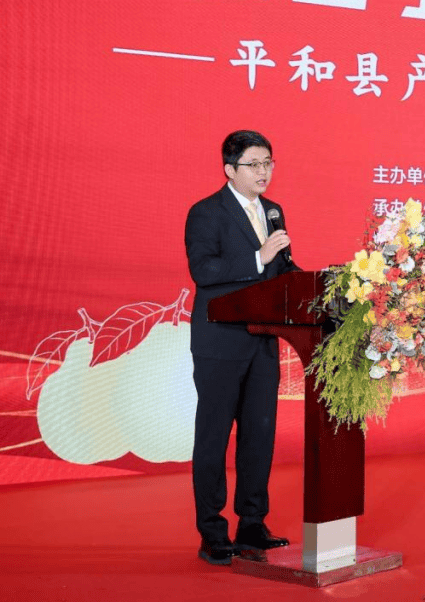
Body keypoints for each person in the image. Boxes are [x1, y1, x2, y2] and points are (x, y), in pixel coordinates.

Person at [184, 130, 298, 565]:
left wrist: (326, 284)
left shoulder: (273, 211)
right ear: (230, 169)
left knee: (259, 435)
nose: (263, 172)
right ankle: (212, 532)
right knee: (213, 438)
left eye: (268, 162)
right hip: (219, 343)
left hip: (262, 340)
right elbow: (203, 270)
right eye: (254, 164)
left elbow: (283, 269)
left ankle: (252, 524)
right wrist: (257, 257)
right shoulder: (206, 212)